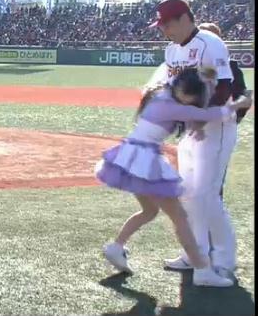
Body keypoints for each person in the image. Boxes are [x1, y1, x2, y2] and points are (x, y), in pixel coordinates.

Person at [96, 68, 248, 287]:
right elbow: (208, 115)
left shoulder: (160, 94)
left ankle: (116, 247)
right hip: (145, 160)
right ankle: (202, 270)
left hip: (131, 155)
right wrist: (239, 103)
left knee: (149, 211)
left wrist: (199, 112)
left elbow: (190, 116)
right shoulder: (172, 105)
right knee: (180, 218)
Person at [149, 0, 242, 277]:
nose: (164, 30)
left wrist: (198, 115)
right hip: (191, 130)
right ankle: (195, 254)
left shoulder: (209, 43)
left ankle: (223, 261)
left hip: (215, 128)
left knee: (207, 195)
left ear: (183, 19)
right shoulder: (171, 50)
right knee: (189, 195)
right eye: (161, 26)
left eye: (167, 24)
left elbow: (223, 88)